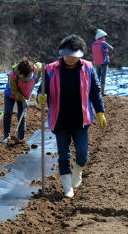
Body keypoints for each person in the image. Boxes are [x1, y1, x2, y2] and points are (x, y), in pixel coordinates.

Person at [37, 35, 106, 198]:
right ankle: (67, 187)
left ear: (80, 55)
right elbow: (42, 90)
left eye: (73, 56)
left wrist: (100, 112)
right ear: (62, 53)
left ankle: (78, 172)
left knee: (83, 154)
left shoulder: (88, 68)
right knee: (64, 155)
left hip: (81, 119)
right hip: (60, 119)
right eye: (67, 55)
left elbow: (95, 92)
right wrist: (41, 96)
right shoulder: (50, 69)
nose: (69, 58)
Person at [1, 57, 42, 143]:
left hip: (25, 94)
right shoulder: (12, 76)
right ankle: (6, 136)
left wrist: (38, 77)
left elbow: (41, 66)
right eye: (24, 77)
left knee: (22, 115)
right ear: (20, 74)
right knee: (8, 113)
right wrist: (23, 100)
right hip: (11, 94)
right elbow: (15, 91)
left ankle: (21, 137)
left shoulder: (35, 68)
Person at [92, 29, 113, 96]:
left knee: (97, 77)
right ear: (102, 37)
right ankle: (102, 93)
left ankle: (96, 92)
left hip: (96, 63)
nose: (105, 38)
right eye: (105, 37)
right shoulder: (103, 43)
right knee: (103, 77)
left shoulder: (93, 44)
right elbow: (111, 48)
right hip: (103, 62)